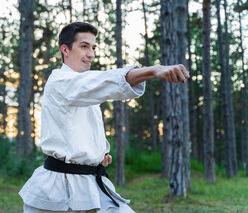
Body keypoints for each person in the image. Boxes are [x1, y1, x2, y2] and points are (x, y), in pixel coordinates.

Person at [19, 22, 189, 213]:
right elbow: (101, 83)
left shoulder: (83, 84)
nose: (91, 54)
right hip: (58, 187)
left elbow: (78, 126)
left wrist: (95, 154)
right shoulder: (60, 81)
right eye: (84, 46)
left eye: (93, 48)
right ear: (65, 50)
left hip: (90, 182)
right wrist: (153, 71)